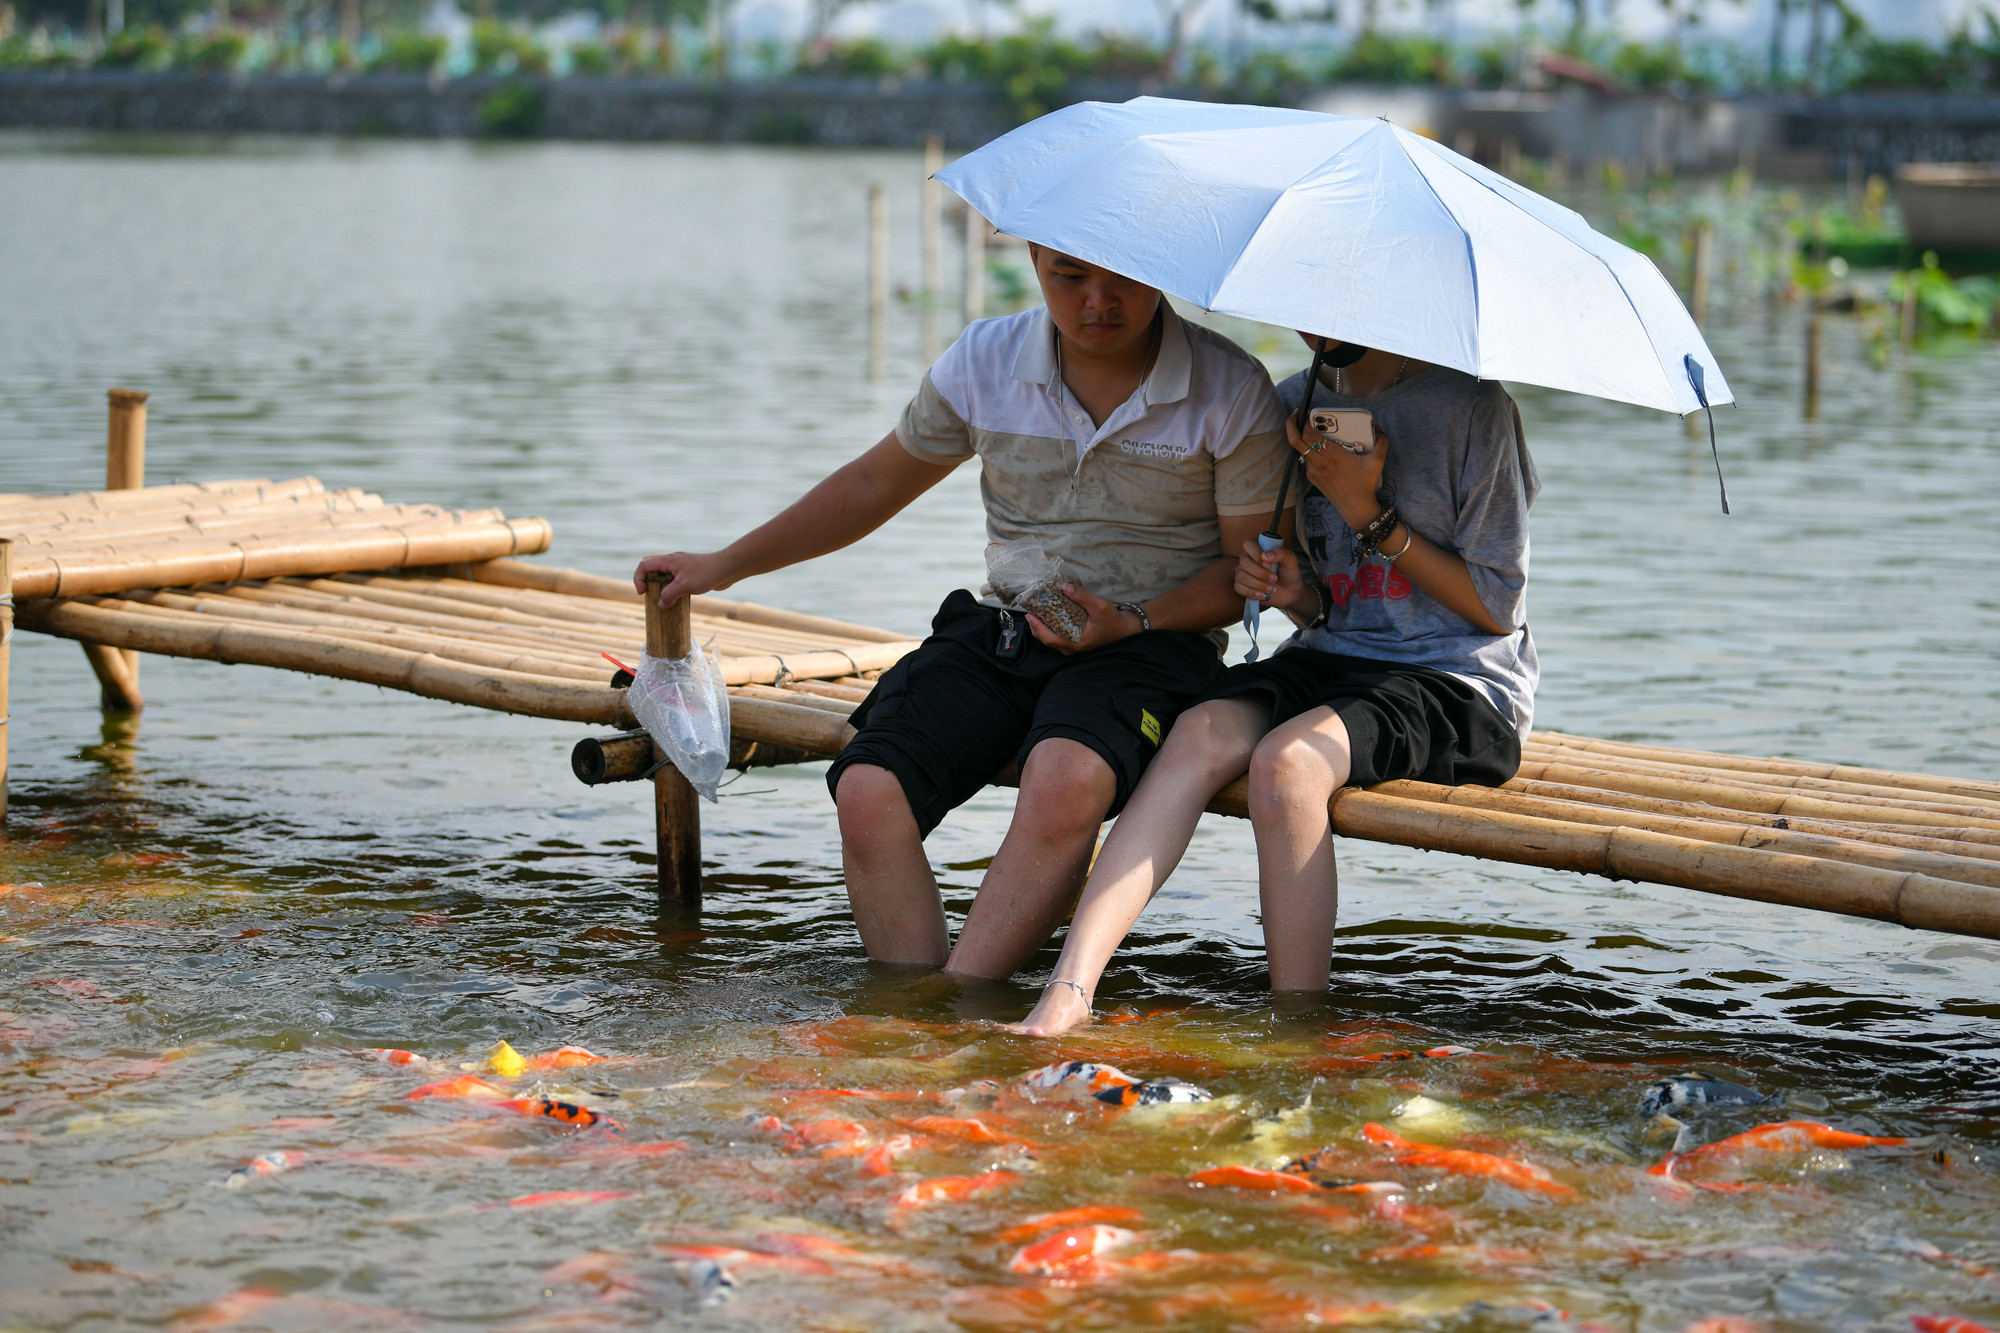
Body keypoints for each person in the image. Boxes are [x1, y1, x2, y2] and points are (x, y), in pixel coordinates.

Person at [633, 247, 1291, 979]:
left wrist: (1127, 618)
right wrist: (724, 562)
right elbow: (873, 482)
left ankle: (960, 1003)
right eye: (1071, 277)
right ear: (1037, 258)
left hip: (1153, 643)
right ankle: (916, 1007)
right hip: (1010, 625)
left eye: (1125, 279)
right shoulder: (985, 360)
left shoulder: (1231, 388)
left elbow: (1246, 575)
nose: (1098, 301)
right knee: (867, 787)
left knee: (1065, 775)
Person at [1014, 335, 1539, 1034]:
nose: (1320, 328)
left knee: (1288, 763)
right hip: (1331, 653)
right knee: (1197, 728)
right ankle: (1067, 994)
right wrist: (1291, 589)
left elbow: (1496, 607)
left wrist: (1368, 514)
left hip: (1460, 677)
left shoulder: (1473, 408)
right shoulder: (1295, 404)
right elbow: (1325, 604)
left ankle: (1298, 1029)